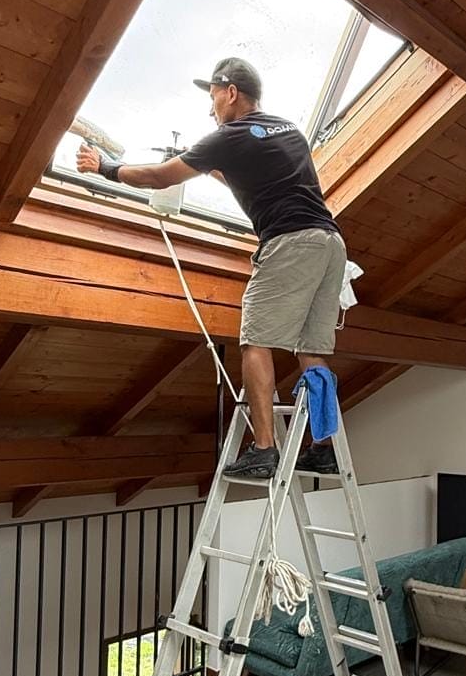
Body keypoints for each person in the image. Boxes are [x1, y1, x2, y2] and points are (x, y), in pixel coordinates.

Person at [76, 56, 348, 480]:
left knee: (255, 342)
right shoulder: (287, 129)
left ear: (231, 93)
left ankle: (264, 450)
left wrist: (106, 167)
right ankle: (323, 449)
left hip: (289, 241)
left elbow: (160, 178)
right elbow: (253, 175)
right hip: (330, 244)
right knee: (312, 350)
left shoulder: (230, 135)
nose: (210, 109)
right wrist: (204, 167)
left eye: (214, 97)